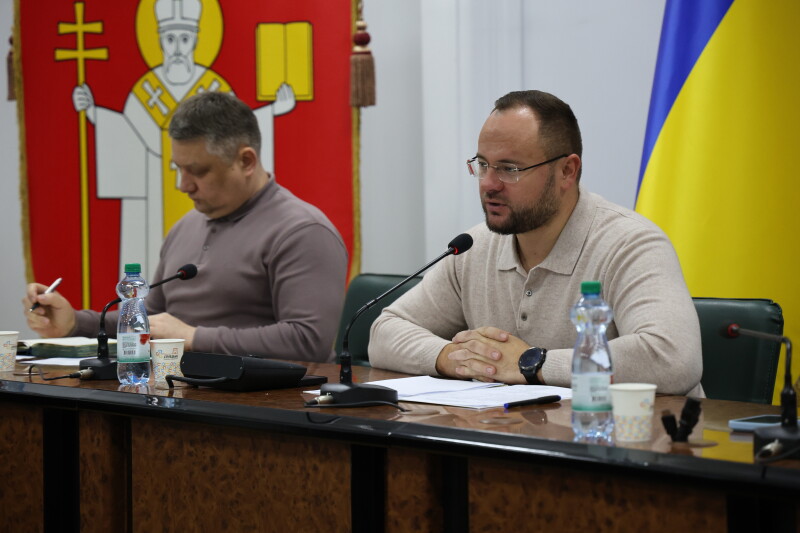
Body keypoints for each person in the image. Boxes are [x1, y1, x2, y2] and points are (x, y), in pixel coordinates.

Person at [368, 90, 703, 395]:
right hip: (518, 435)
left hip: (624, 438)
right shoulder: (473, 247)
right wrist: (453, 357)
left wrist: (533, 363)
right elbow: (385, 333)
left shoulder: (631, 244)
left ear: (567, 171)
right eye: (482, 165)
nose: (488, 184)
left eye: (509, 169)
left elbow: (672, 358)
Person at [24, 91, 348, 363]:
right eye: (179, 169)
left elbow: (308, 342)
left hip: (262, 407)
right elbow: (151, 320)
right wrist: (75, 322)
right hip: (175, 391)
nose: (183, 185)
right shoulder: (185, 227)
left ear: (246, 161)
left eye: (198, 171)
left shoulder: (302, 232)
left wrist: (193, 338)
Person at [71, 0, 296, 275]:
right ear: (159, 42)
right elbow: (128, 134)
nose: (177, 49)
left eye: (185, 39)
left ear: (196, 41)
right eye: (170, 40)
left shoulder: (214, 88)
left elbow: (237, 134)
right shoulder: (146, 90)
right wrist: (95, 112)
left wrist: (274, 110)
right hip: (153, 195)